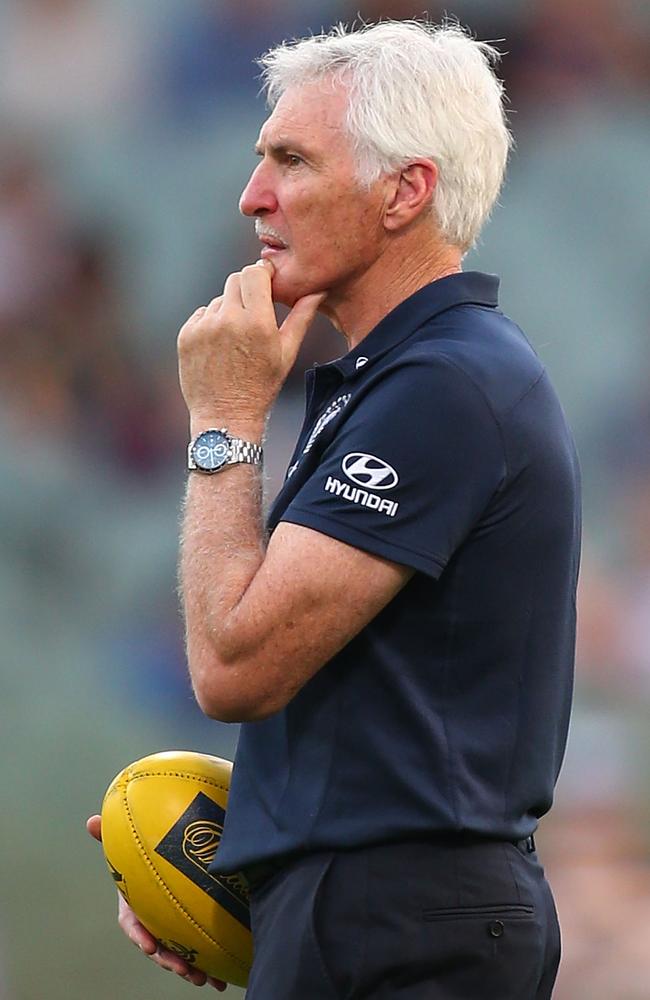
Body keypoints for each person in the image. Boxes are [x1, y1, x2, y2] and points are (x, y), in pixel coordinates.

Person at [88, 20, 581, 998]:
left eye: (290, 161)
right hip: (386, 911)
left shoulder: (444, 386)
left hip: (403, 923)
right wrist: (246, 867)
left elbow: (232, 665)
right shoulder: (399, 379)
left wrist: (225, 420)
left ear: (405, 190)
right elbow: (372, 723)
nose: (251, 195)